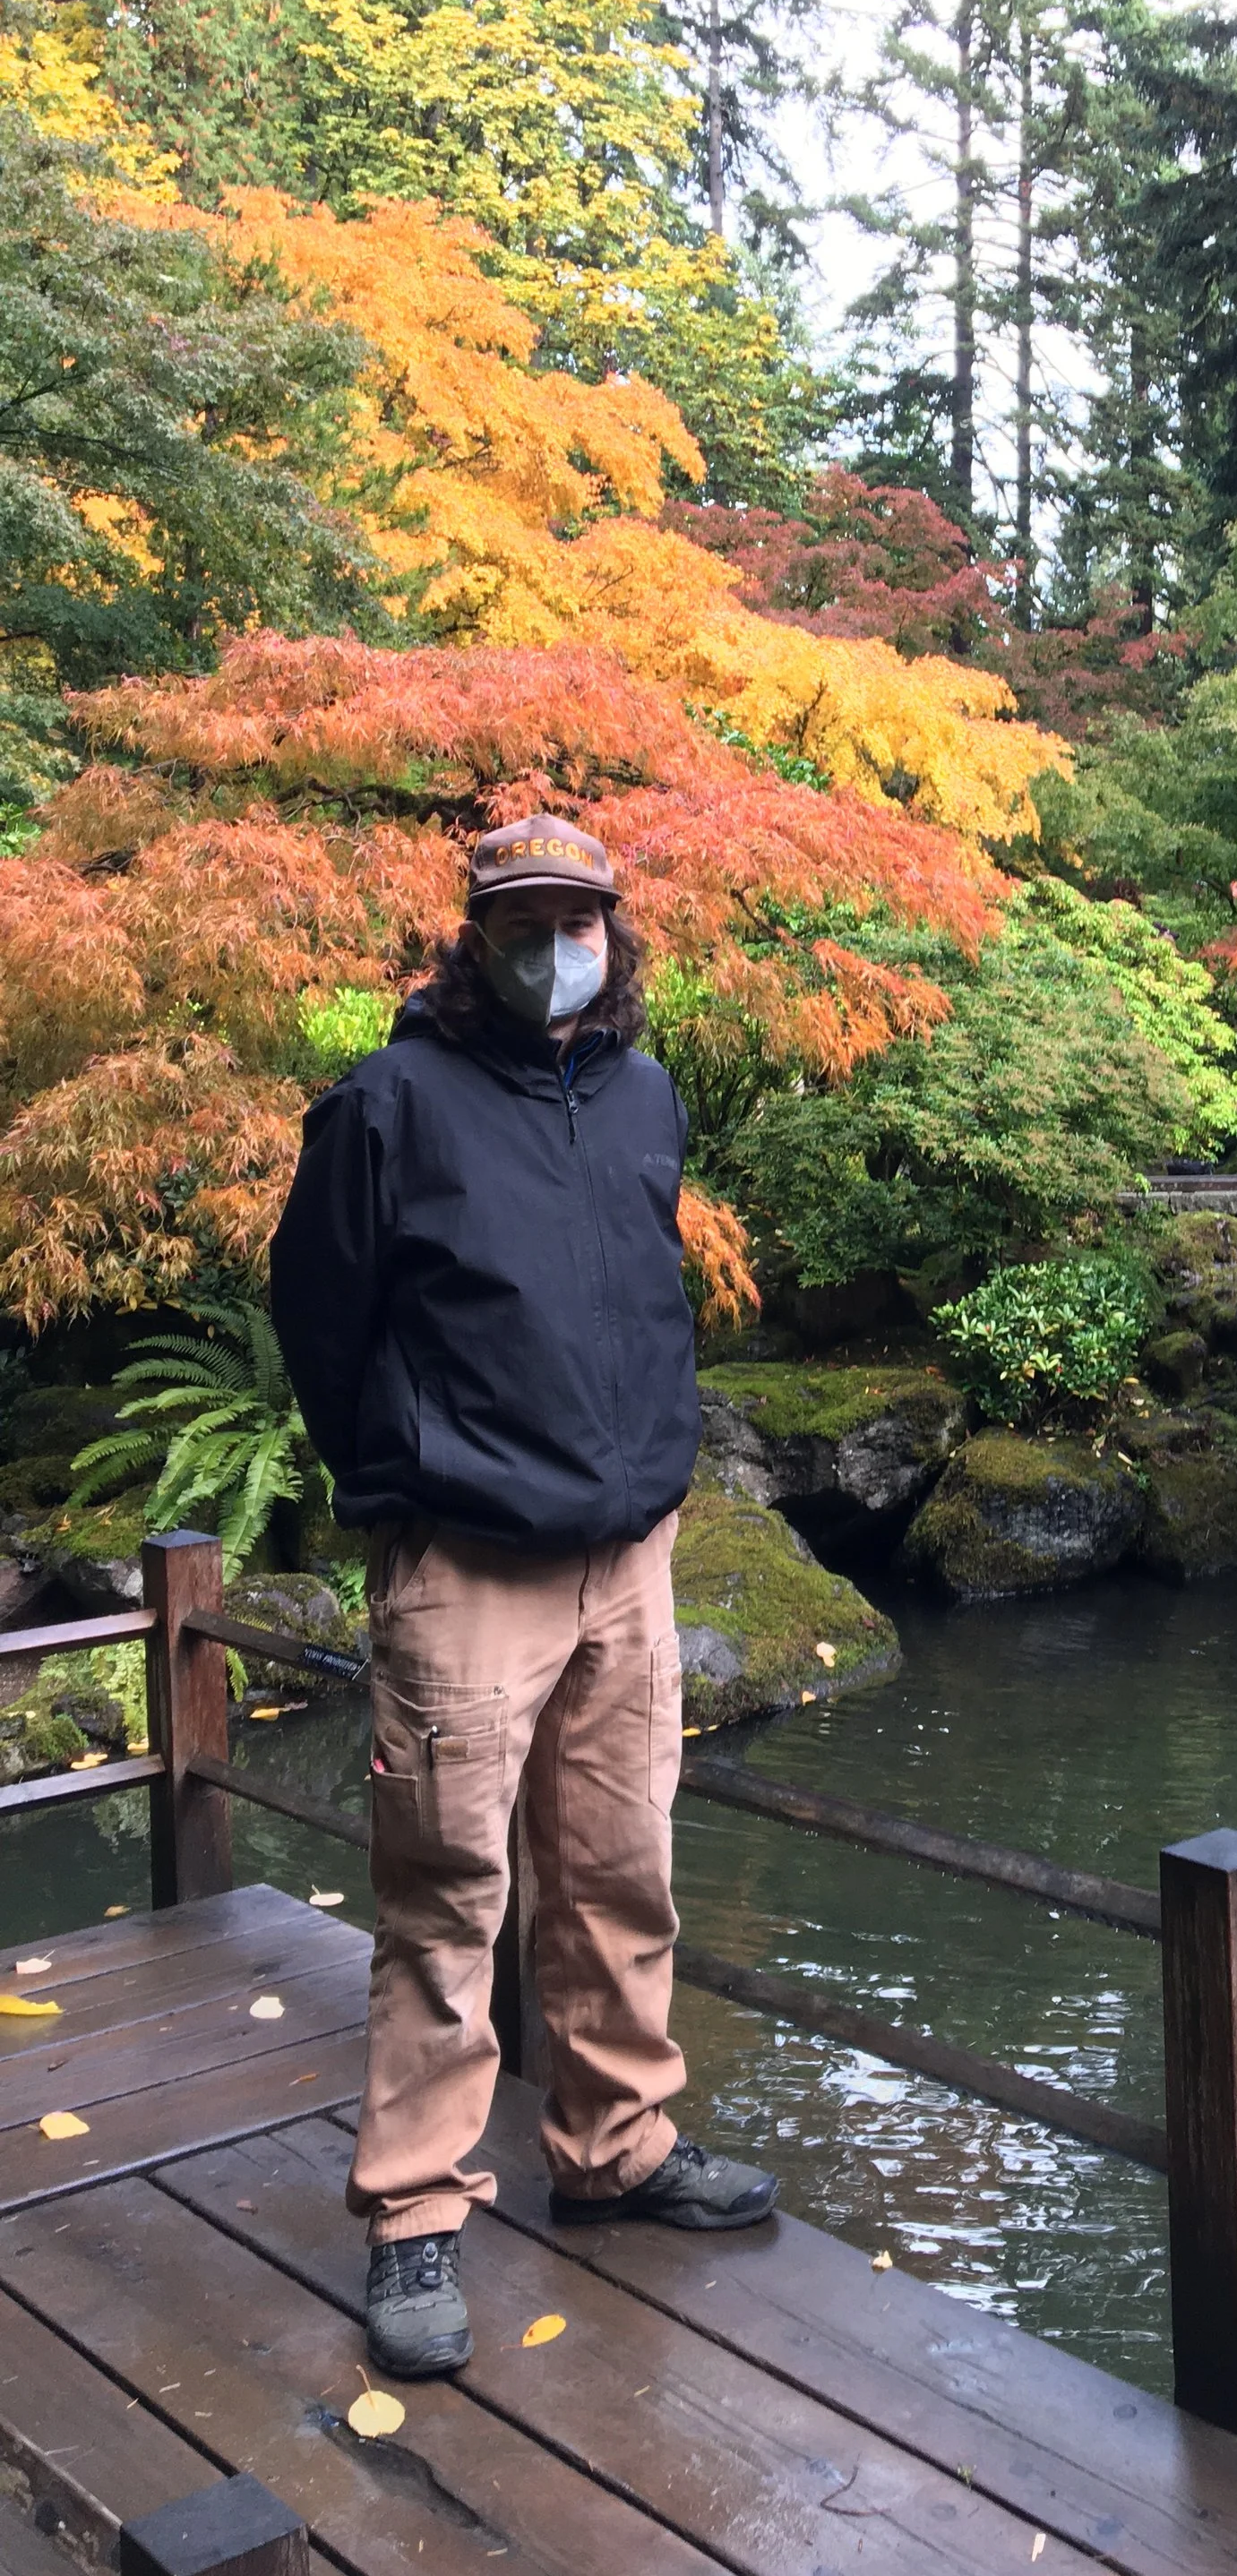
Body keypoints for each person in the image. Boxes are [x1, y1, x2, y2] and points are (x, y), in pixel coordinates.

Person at [271, 811, 776, 2383]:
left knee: (622, 1871)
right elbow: (320, 1311)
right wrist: (399, 1482)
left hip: (628, 1558)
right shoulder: (388, 1102)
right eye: (523, 919)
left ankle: (615, 2142)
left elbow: (645, 1296)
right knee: (444, 1905)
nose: (553, 946)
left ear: (614, 932)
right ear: (471, 933)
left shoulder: (643, 1094)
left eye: (579, 920)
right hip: (467, 1564)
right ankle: (417, 2207)